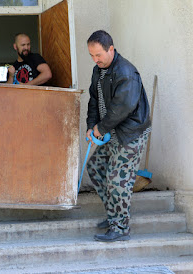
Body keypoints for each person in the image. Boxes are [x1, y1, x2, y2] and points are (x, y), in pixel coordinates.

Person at [85, 30, 151, 242]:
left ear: (111, 49)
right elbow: (94, 100)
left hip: (130, 133)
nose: (95, 60)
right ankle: (113, 216)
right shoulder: (99, 70)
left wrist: (100, 128)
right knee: (95, 167)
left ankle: (121, 228)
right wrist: (91, 126)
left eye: (98, 55)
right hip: (110, 131)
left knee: (117, 178)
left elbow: (122, 108)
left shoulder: (126, 72)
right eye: (92, 56)